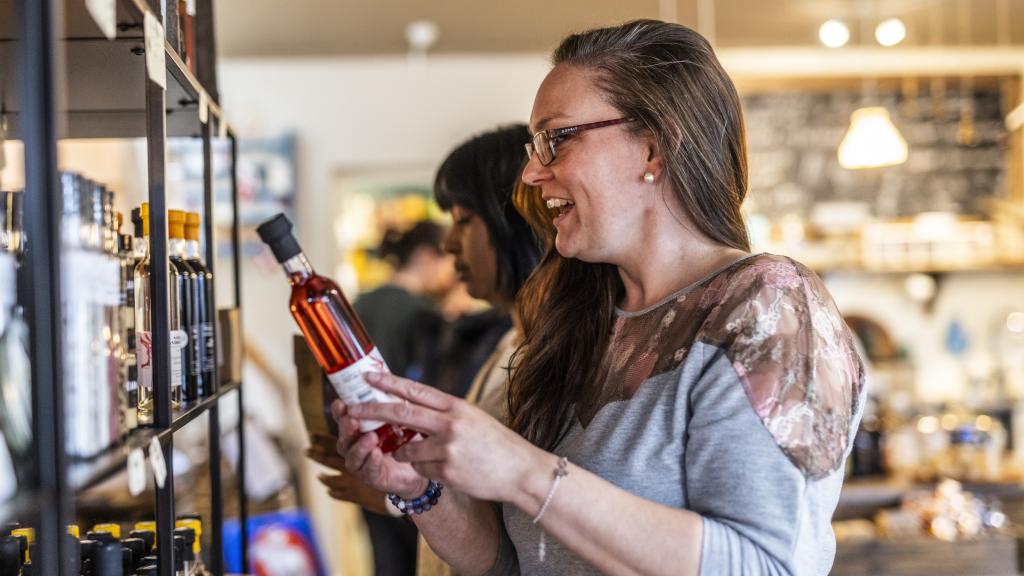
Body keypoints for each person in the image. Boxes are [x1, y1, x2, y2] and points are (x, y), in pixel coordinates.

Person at [331, 20, 867, 576]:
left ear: (653, 148)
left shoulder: (768, 306)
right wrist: (422, 488)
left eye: (556, 140)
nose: (534, 174)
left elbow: (764, 565)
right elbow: (519, 561)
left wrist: (524, 471)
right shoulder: (579, 321)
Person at [306, 124, 543, 575]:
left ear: (516, 220)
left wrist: (404, 494)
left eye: (463, 219)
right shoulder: (511, 342)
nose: (449, 242)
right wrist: (405, 486)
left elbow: (526, 523)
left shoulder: (547, 352)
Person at [348, 221, 452, 576]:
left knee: (384, 558)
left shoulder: (359, 301)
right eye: (446, 259)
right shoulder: (425, 313)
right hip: (410, 460)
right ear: (426, 257)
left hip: (362, 451)